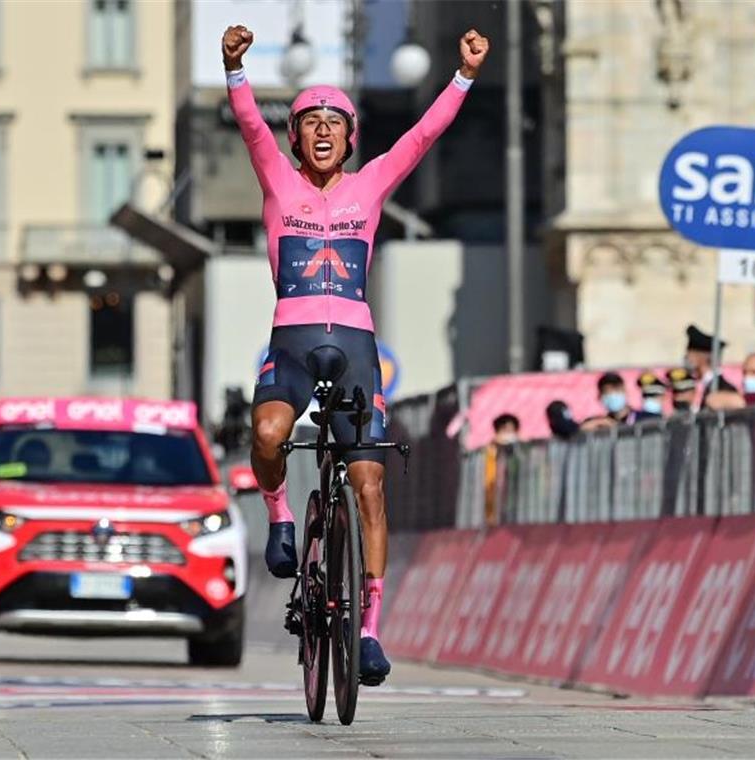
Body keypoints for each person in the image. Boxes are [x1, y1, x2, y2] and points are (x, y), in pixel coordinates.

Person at [224, 22, 490, 685]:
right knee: (266, 432)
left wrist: (464, 75)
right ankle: (282, 517)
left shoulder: (369, 185)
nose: (320, 131)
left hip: (355, 350)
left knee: (369, 484)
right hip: (289, 345)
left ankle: (369, 630)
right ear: (296, 138)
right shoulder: (278, 184)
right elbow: (252, 127)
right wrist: (234, 69)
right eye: (309, 122)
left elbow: (422, 137)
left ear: (349, 138)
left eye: (332, 123)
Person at [483, 414, 520, 528]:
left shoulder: (516, 448)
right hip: (494, 489)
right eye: (507, 430)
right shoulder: (491, 448)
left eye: (512, 430)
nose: (510, 434)